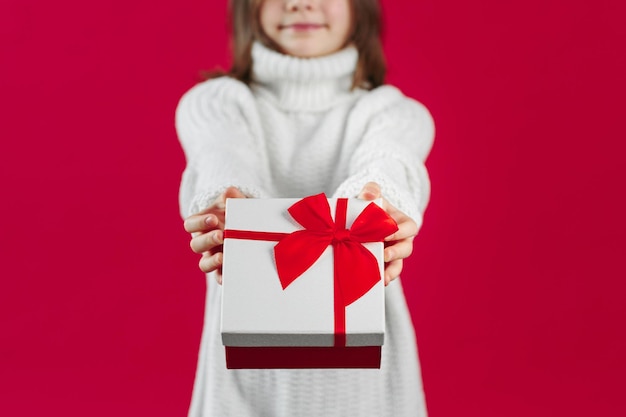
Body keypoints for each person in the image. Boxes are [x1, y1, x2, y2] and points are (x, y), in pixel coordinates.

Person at [176, 0, 434, 415]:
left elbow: (389, 161)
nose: (300, 3)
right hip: (241, 382)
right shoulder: (214, 103)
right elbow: (221, 156)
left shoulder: (393, 111)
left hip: (366, 384)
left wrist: (379, 202)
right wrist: (226, 201)